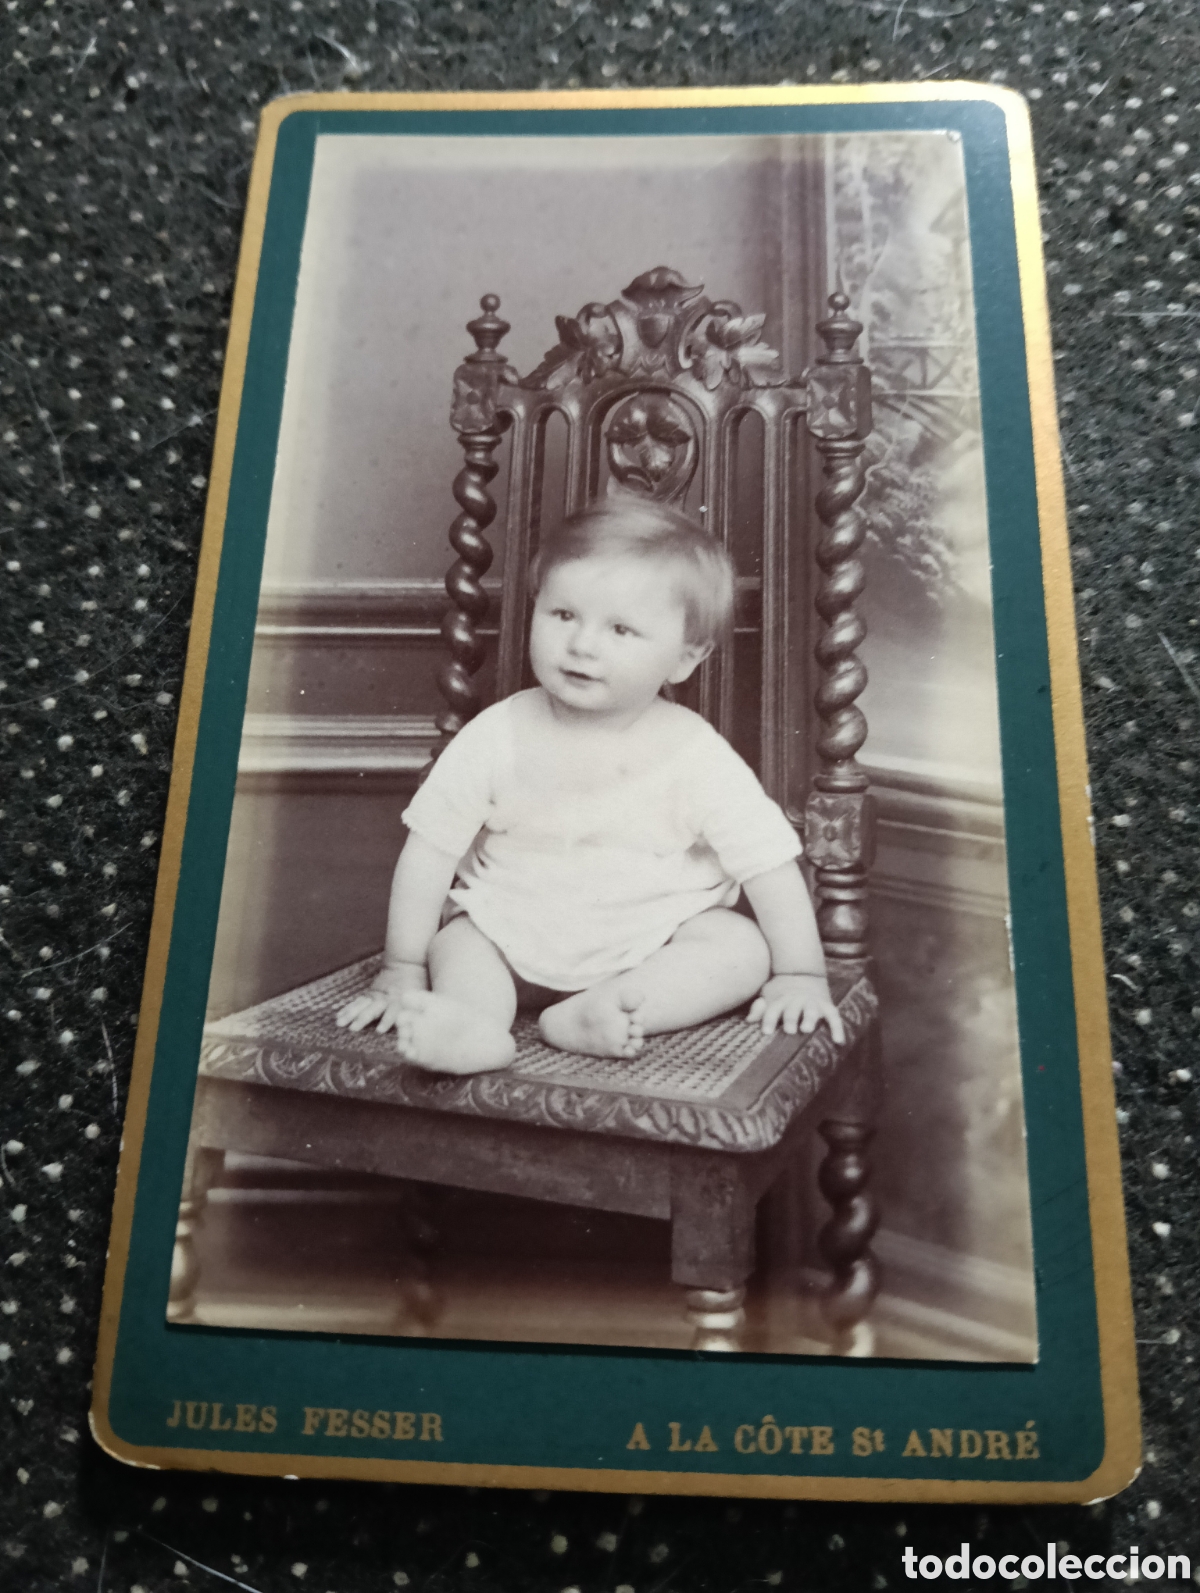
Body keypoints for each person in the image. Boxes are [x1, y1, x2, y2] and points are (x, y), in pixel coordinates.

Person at [335, 499, 845, 1073]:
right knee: (458, 943)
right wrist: (402, 967)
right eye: (563, 615)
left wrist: (800, 973)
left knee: (739, 948)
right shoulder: (498, 734)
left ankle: (602, 1013)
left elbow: (769, 866)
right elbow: (429, 852)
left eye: (621, 629)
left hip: (647, 946)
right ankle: (474, 1028)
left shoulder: (695, 754)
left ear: (685, 658)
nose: (582, 645)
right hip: (509, 933)